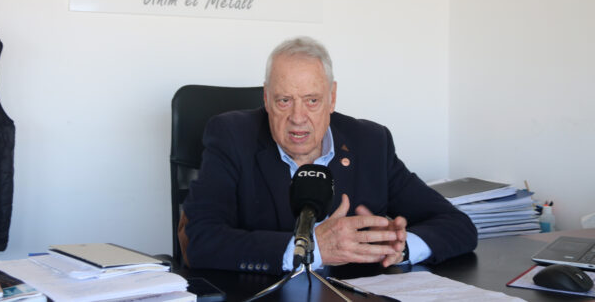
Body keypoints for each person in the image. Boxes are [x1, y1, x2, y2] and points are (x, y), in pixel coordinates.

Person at [180, 36, 477, 274]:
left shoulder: (370, 143)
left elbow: (457, 225)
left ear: (332, 98)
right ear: (266, 99)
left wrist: (398, 246)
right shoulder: (232, 136)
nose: (298, 117)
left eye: (312, 100)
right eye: (284, 101)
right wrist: (312, 248)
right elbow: (200, 240)